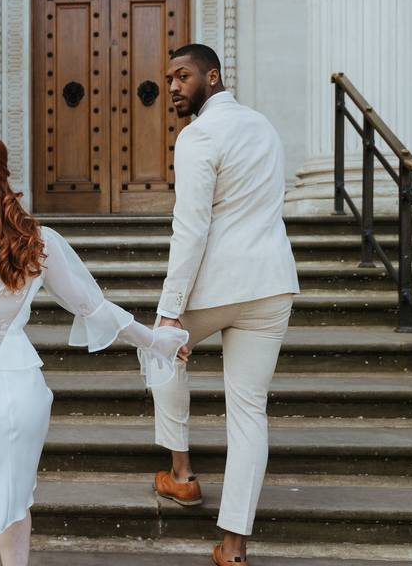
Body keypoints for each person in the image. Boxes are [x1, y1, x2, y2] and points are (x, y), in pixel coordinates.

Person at [0, 129, 189, 566]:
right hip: (24, 393)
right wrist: (155, 340)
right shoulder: (39, 239)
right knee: (14, 506)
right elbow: (94, 307)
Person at [151, 44, 300, 566]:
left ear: (211, 77)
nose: (173, 86)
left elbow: (190, 228)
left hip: (217, 286)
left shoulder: (198, 135)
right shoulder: (263, 126)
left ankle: (183, 475)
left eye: (183, 75)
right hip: (272, 283)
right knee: (249, 413)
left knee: (158, 350)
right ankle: (233, 549)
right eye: (169, 77)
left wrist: (171, 312)